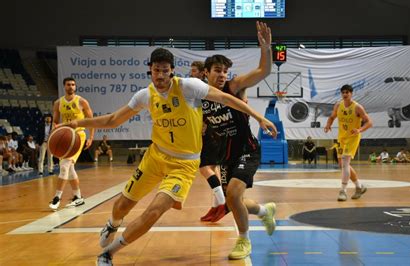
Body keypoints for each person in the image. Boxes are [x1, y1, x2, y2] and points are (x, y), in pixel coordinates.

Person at [59, 48, 277, 265]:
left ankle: (108, 254)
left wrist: (259, 118)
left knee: (155, 210)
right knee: (122, 206)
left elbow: (227, 99)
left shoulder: (189, 87)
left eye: (165, 70)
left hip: (184, 165)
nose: (161, 75)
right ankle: (112, 224)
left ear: (172, 71)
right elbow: (112, 120)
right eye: (156, 70)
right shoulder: (145, 96)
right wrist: (78, 123)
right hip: (155, 158)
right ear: (150, 71)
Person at [199, 21, 273, 224]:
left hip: (246, 150)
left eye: (225, 71)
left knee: (231, 196)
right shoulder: (200, 96)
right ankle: (266, 212)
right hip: (225, 155)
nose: (222, 74)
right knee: (232, 202)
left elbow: (263, 71)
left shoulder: (234, 86)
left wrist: (266, 49)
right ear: (206, 72)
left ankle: (244, 240)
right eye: (217, 70)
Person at [48, 77, 94, 211]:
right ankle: (78, 197)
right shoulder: (58, 103)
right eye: (69, 85)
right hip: (65, 137)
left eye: (73, 85)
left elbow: (91, 120)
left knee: (64, 165)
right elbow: (55, 123)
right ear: (64, 86)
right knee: (70, 169)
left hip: (78, 136)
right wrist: (52, 135)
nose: (71, 87)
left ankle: (57, 198)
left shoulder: (82, 101)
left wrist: (90, 137)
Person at [324, 84, 373, 201]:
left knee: (345, 163)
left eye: (347, 92)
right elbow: (332, 117)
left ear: (351, 94)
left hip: (352, 138)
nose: (345, 94)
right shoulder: (338, 105)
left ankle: (343, 191)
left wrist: (359, 129)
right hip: (341, 138)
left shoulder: (357, 107)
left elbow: (369, 122)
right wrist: (328, 125)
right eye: (343, 92)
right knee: (342, 165)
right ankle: (359, 187)